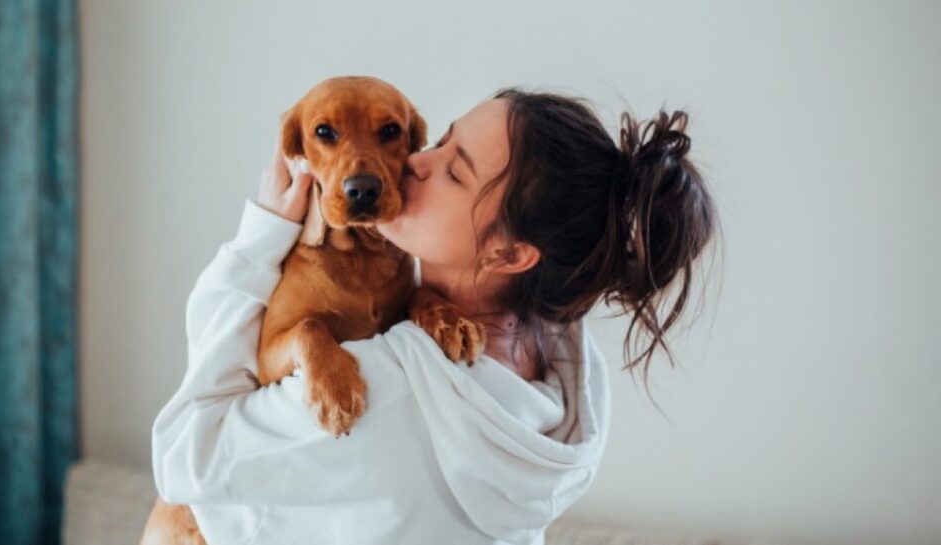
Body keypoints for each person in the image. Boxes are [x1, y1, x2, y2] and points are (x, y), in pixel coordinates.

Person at [150, 88, 719, 545]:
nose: (416, 163)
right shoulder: (566, 374)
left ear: (510, 254)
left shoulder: (389, 389)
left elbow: (182, 457)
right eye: (441, 141)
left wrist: (257, 243)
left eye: (454, 172)